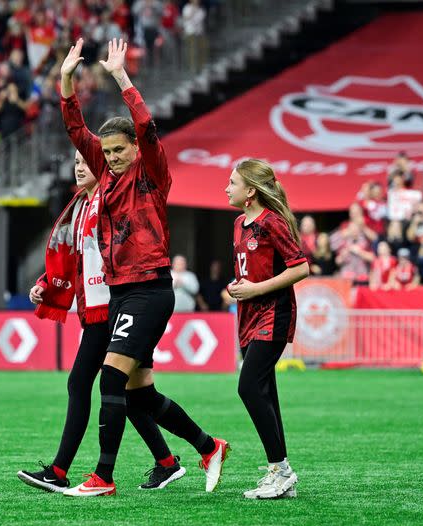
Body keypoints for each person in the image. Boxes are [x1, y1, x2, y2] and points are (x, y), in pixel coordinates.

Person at [59, 38, 227, 497]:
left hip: (149, 289)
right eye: (106, 152)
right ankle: (208, 446)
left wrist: (121, 78)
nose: (110, 158)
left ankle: (103, 477)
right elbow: (76, 128)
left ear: (135, 147)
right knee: (139, 395)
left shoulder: (152, 171)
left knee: (109, 378)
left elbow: (148, 125)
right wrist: (66, 79)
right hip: (122, 294)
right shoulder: (108, 175)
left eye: (118, 150)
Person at [18, 152, 185, 493]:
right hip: (102, 306)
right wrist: (46, 283)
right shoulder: (82, 205)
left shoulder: (109, 201)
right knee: (134, 394)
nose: (79, 167)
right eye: (76, 162)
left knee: (82, 384)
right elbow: (78, 258)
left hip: (113, 307)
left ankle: (60, 470)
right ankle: (175, 459)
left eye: (86, 160)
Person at [225, 159, 309, 499]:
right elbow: (251, 270)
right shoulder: (238, 224)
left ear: (250, 192)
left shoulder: (272, 223)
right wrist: (238, 286)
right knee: (266, 394)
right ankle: (280, 471)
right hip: (248, 316)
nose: (226, 188)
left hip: (275, 313)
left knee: (248, 388)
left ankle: (281, 468)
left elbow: (301, 267)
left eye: (232, 183)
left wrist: (257, 289)